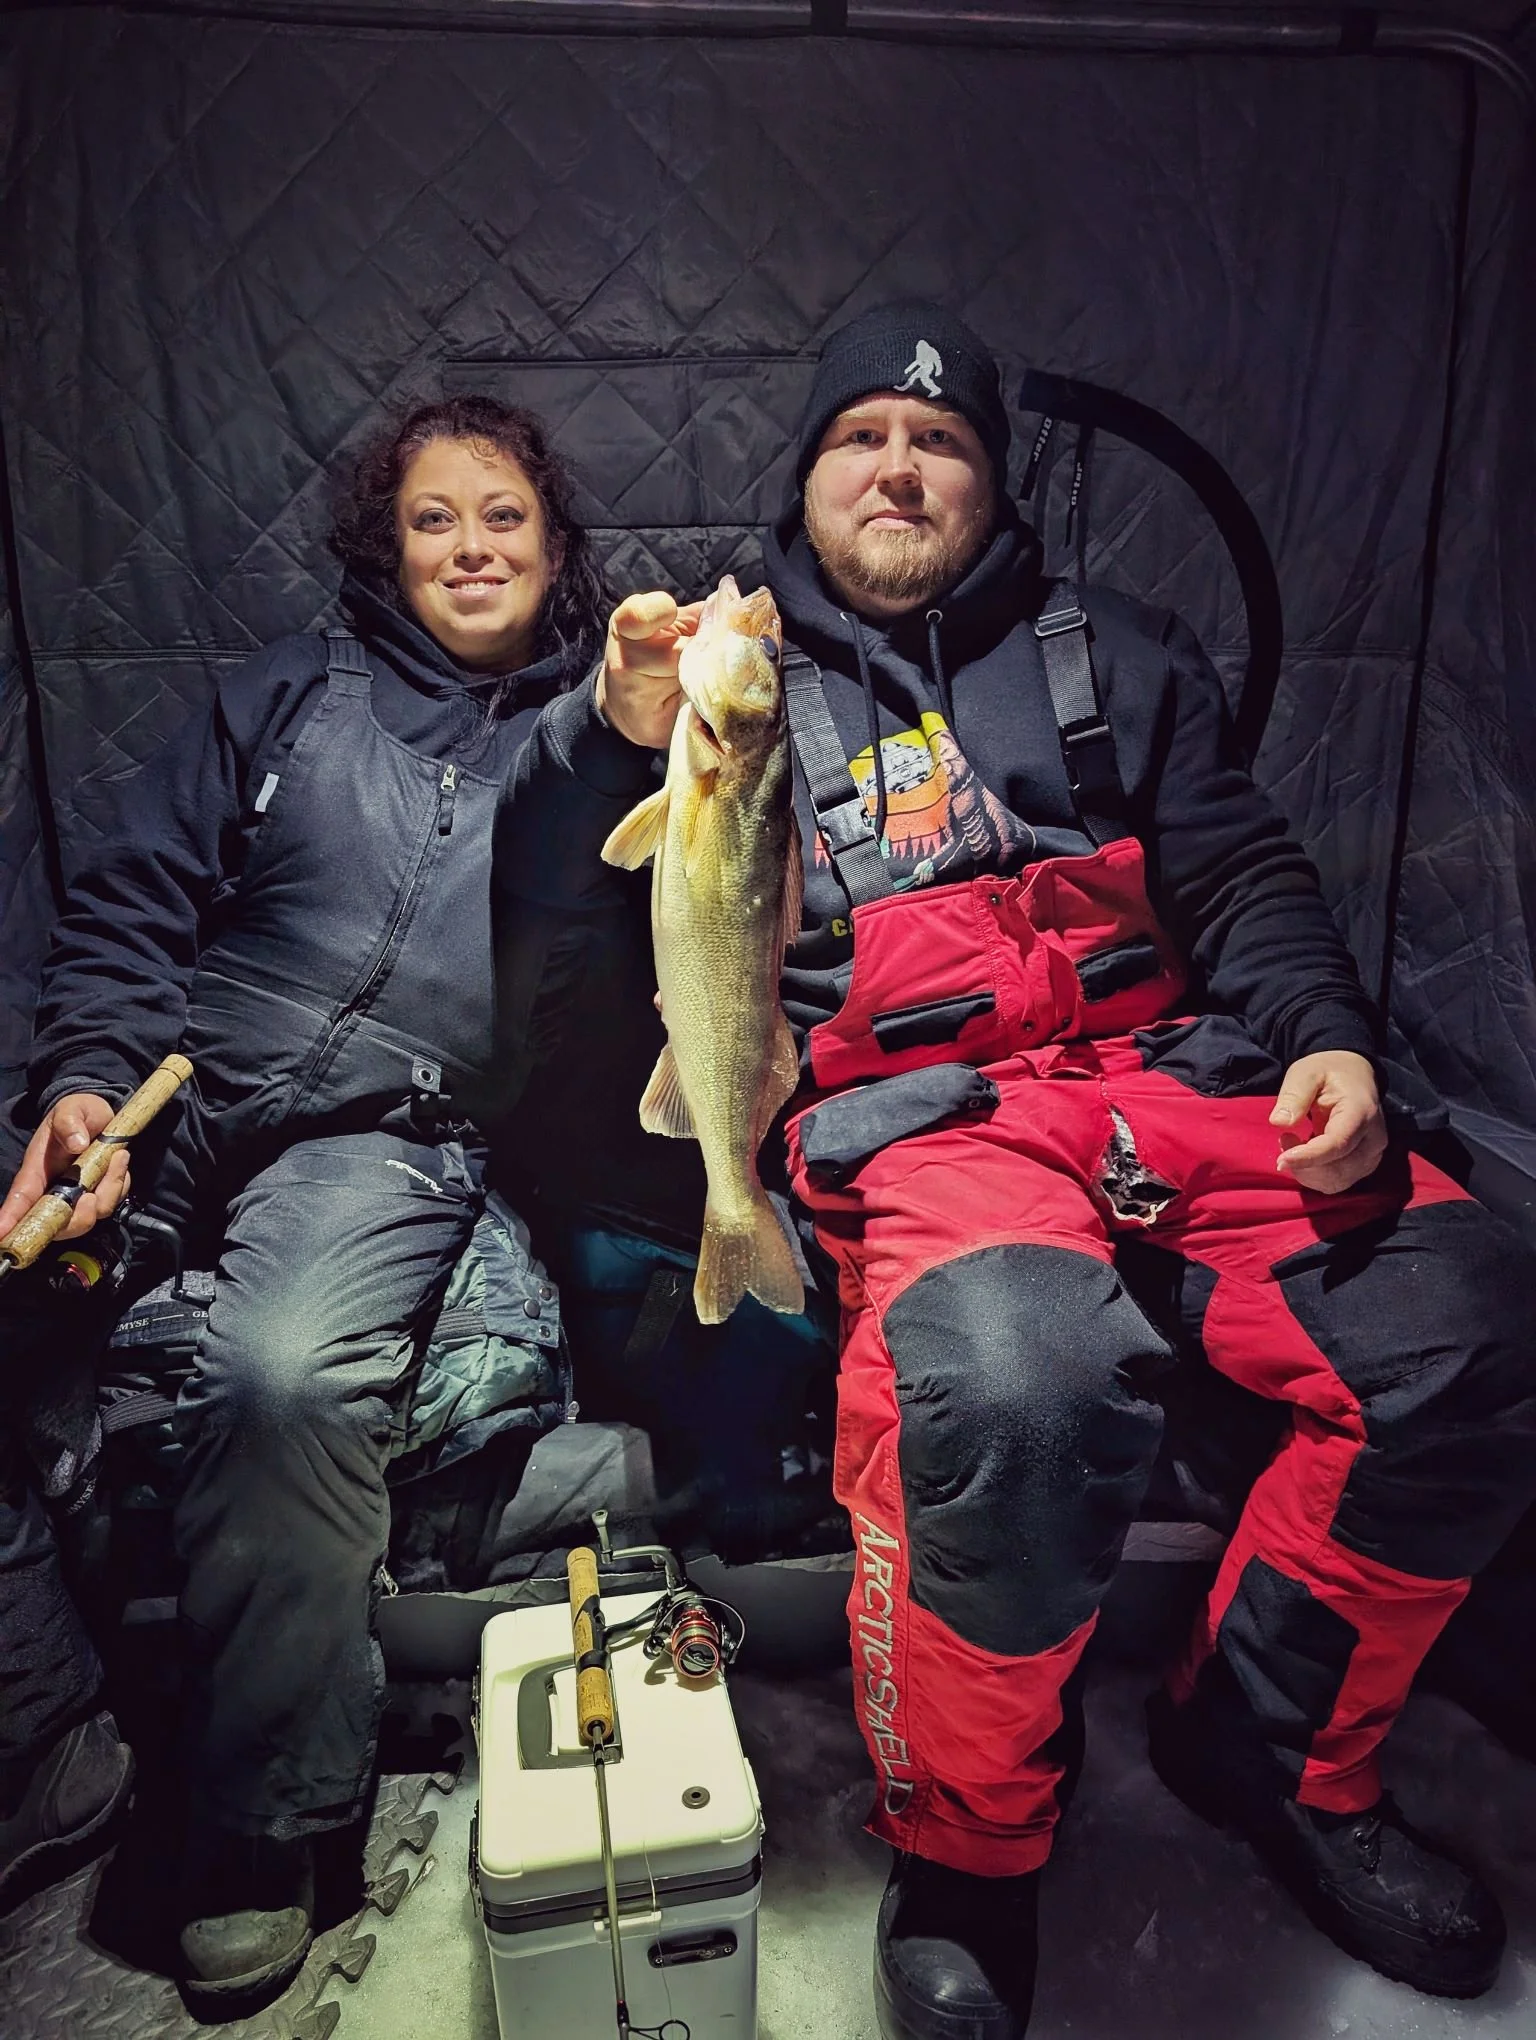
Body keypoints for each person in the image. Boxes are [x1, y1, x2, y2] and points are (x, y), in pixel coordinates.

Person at [496, 304, 1536, 2039]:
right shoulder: (725, 683)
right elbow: (552, 884)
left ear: (994, 483)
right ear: (805, 478)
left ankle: (1269, 1745)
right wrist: (609, 729)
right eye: (860, 439)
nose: (898, 468)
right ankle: (971, 1851)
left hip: (1173, 1086)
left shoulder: (1121, 652)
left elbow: (1242, 873)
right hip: (933, 1123)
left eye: (942, 442)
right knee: (1009, 1392)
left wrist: (1332, 1038)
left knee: (1477, 1325)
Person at [0, 396, 605, 2010]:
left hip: (380, 1133)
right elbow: (132, 905)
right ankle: (45, 1738)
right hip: (181, 1084)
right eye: (431, 519)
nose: (469, 548)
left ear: (555, 549)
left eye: (503, 518)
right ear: (384, 548)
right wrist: (85, 1084)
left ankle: (264, 1823)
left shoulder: (592, 742)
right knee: (16, 1295)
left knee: (278, 1376)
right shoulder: (286, 694)